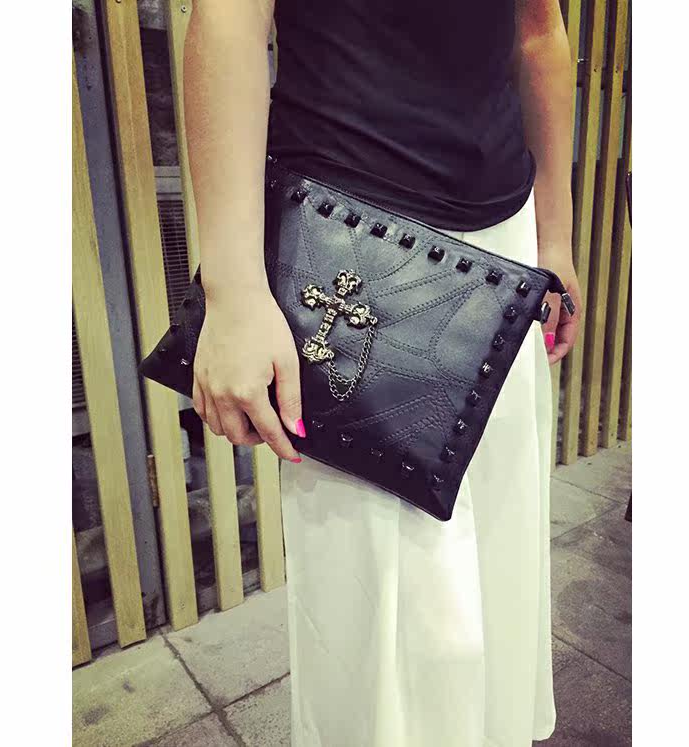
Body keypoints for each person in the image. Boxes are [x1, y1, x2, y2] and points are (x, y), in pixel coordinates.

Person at [184, 0, 582, 744]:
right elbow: (231, 18)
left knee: (501, 569)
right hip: (349, 236)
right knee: (383, 616)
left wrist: (554, 237)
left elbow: (539, 32)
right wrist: (232, 287)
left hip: (505, 240)